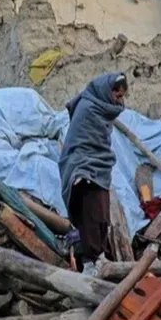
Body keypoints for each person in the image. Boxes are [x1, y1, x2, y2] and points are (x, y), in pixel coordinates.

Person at [59, 72, 128, 262]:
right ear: (107, 92)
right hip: (84, 169)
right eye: (117, 96)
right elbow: (80, 143)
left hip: (98, 169)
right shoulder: (88, 109)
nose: (119, 101)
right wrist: (81, 172)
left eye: (122, 96)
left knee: (102, 216)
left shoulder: (102, 111)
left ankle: (101, 255)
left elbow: (100, 145)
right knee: (91, 215)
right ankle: (93, 258)